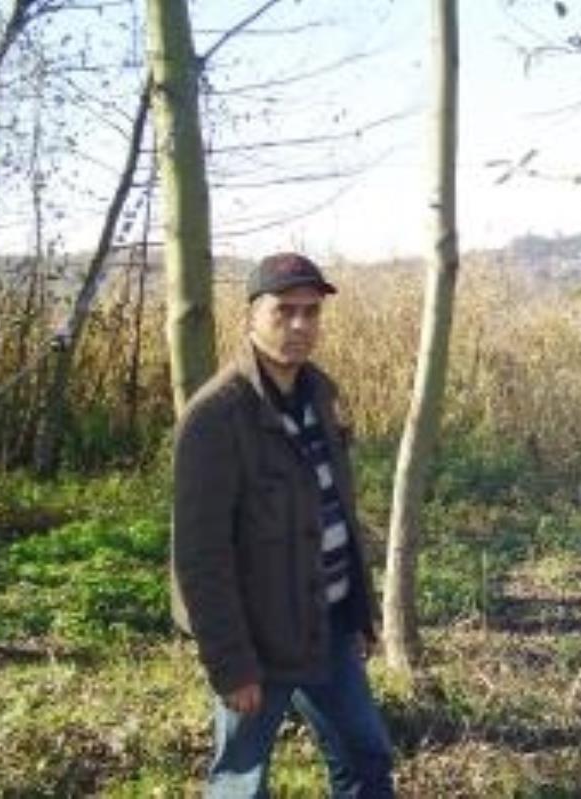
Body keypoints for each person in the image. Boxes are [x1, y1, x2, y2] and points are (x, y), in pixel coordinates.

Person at [171, 252, 394, 797]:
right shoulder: (215, 417)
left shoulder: (321, 394)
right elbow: (200, 558)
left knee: (365, 756)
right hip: (258, 638)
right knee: (241, 781)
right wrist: (231, 664)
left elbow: (337, 511)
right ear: (251, 316)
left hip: (329, 624)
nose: (299, 325)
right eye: (284, 311)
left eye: (311, 312)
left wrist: (359, 612)